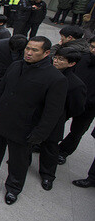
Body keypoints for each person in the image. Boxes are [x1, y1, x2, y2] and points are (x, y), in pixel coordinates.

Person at [0, 36, 67, 205]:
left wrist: (40, 134)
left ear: (46, 53)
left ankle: (14, 187)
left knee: (18, 160)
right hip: (3, 119)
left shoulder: (55, 78)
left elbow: (53, 112)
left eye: (34, 50)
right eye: (28, 48)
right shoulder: (16, 66)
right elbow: (2, 89)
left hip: (25, 127)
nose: (28, 53)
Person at [38, 47, 87, 190]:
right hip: (36, 113)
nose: (56, 61)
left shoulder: (75, 84)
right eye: (56, 57)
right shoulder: (45, 72)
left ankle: (47, 175)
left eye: (60, 59)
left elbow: (77, 107)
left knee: (50, 146)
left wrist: (62, 114)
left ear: (71, 64)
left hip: (55, 119)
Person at [58, 37, 95, 164]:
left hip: (89, 106)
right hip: (70, 99)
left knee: (77, 131)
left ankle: (63, 151)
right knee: (57, 121)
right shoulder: (82, 58)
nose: (93, 50)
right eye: (92, 47)